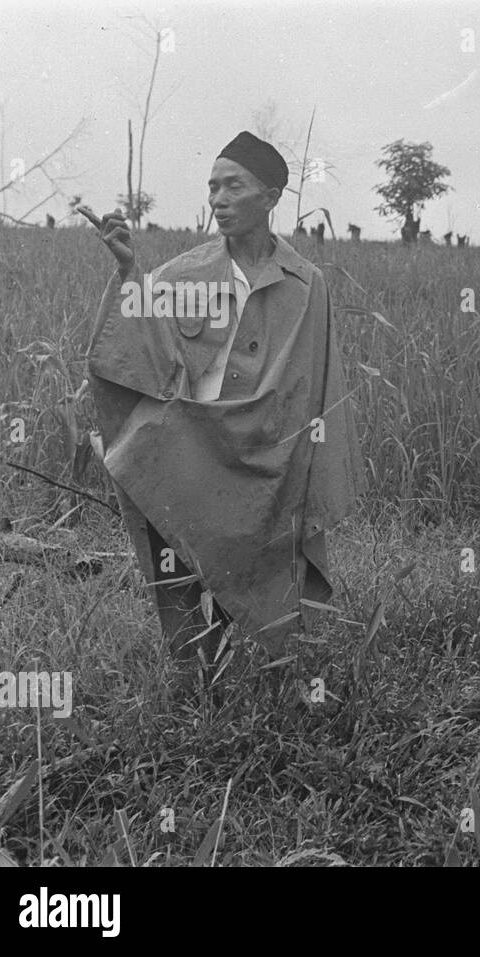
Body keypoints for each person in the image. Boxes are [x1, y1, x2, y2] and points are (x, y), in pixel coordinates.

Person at [85, 131, 361, 670]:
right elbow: (138, 356)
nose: (219, 199)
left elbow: (320, 385)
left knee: (265, 570)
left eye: (234, 186)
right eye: (213, 187)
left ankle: (268, 674)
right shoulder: (180, 275)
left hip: (263, 461)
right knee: (178, 567)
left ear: (272, 196)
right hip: (190, 453)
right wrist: (126, 271)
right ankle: (193, 678)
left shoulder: (306, 284)